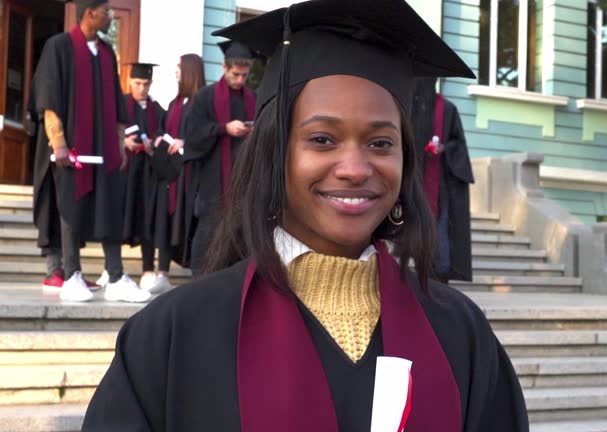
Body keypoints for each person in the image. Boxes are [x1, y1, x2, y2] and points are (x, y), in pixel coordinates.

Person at [82, 0, 529, 430]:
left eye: (380, 143)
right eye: (322, 139)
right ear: (274, 153)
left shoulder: (461, 335)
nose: (355, 168)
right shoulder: (175, 335)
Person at [30, 0, 150, 303]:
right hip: (71, 150)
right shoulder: (59, 47)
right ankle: (72, 275)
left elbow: (116, 106)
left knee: (110, 209)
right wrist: (58, 143)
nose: (110, 16)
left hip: (104, 148)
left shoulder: (108, 54)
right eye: (106, 11)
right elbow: (49, 100)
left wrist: (120, 141)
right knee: (71, 207)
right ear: (89, 13)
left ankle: (116, 274)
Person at [184, 41, 257, 277]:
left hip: (243, 177)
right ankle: (200, 279)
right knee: (208, 230)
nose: (240, 80)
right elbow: (193, 133)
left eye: (244, 75)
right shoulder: (205, 97)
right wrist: (223, 128)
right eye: (235, 74)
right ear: (224, 67)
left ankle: (233, 280)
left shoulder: (253, 99)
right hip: (213, 178)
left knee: (240, 231)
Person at [104, 62, 167, 293]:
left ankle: (148, 268)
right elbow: (108, 130)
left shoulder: (157, 109)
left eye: (146, 84)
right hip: (124, 172)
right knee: (119, 216)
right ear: (130, 81)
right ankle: (110, 267)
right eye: (138, 83)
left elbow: (163, 133)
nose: (141, 88)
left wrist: (154, 143)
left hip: (147, 175)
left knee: (146, 218)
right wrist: (124, 141)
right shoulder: (120, 104)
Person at [149, 53, 207, 291]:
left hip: (190, 176)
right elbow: (165, 127)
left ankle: (195, 273)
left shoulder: (203, 102)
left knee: (186, 221)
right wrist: (161, 138)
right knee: (165, 220)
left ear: (190, 72)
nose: (176, 74)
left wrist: (186, 142)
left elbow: (205, 134)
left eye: (179, 70)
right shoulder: (175, 103)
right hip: (170, 174)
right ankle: (162, 273)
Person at [411, 78, 474, 283]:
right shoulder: (411, 108)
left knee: (441, 236)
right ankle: (420, 277)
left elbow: (458, 142)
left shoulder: (446, 109)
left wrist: (444, 148)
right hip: (415, 184)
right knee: (416, 233)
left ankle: (439, 281)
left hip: (440, 187)